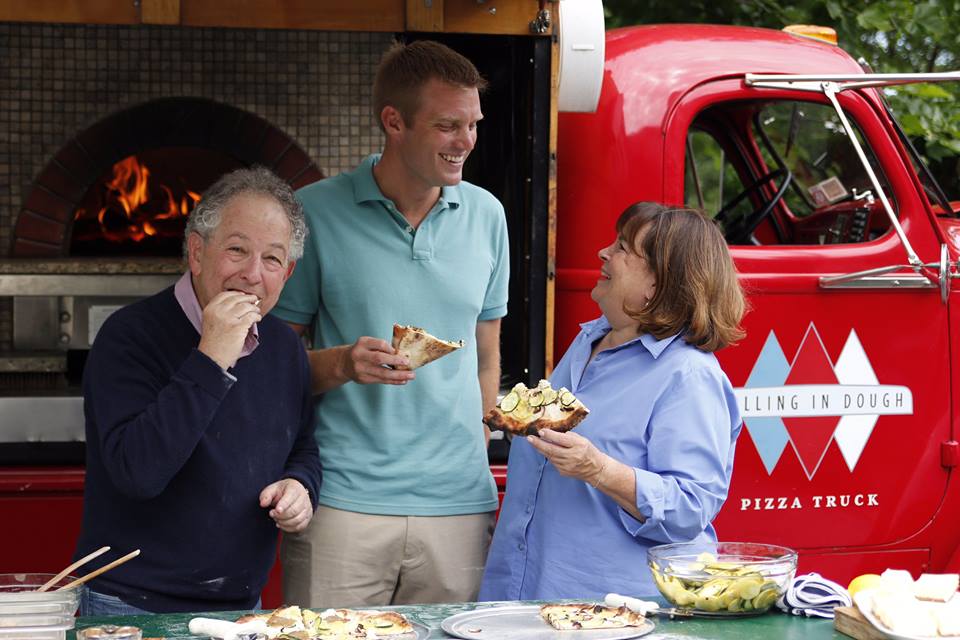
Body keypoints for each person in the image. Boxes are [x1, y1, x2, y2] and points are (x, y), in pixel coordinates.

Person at [272, 39, 508, 607]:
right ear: (394, 121)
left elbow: (486, 357)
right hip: (340, 504)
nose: (467, 142)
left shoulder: (488, 214)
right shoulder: (314, 211)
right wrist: (344, 364)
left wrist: (474, 443)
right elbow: (271, 365)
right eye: (448, 125)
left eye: (473, 123)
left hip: (459, 506)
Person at [73, 167, 322, 615]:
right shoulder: (128, 336)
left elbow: (303, 447)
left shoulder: (284, 345)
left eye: (271, 259)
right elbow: (138, 473)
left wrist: (300, 487)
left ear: (287, 273)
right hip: (129, 605)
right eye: (237, 250)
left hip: (240, 606)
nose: (252, 273)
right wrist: (211, 356)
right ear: (197, 252)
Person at [479, 202, 746, 600]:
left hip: (611, 611)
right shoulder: (590, 340)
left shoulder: (689, 375)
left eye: (622, 248)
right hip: (524, 594)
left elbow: (690, 508)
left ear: (658, 284)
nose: (604, 253)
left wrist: (598, 469)